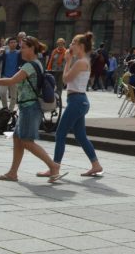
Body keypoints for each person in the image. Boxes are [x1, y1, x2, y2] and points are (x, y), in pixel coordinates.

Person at [0, 36, 63, 182]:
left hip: (30, 107)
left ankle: (53, 166)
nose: (20, 50)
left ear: (32, 48)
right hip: (27, 106)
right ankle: (13, 173)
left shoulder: (29, 66)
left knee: (27, 141)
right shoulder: (36, 63)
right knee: (18, 139)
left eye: (23, 47)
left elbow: (11, 81)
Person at [44, 32, 103, 179]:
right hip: (78, 101)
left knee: (60, 133)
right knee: (80, 136)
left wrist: (68, 61)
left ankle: (55, 167)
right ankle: (96, 165)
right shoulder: (83, 61)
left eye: (73, 43)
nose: (70, 46)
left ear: (81, 46)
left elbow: (65, 79)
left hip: (77, 101)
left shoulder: (80, 62)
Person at [0, 37, 20, 111]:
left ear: (17, 43)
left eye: (14, 42)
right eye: (11, 42)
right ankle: (5, 108)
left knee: (14, 96)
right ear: (8, 44)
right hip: (5, 76)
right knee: (2, 93)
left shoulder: (19, 53)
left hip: (15, 77)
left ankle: (11, 110)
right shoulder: (4, 52)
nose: (13, 44)